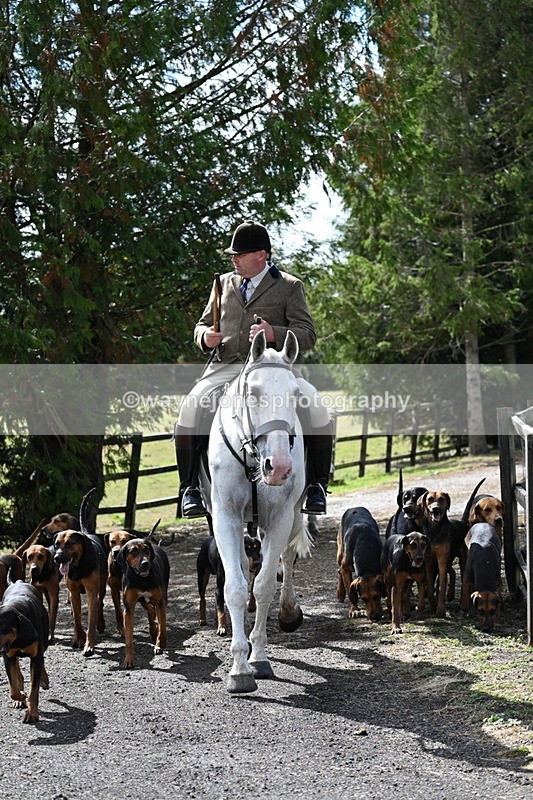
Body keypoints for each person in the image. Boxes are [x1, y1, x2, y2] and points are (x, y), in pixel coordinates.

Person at [174, 220, 333, 518]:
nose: (233, 259)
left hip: (273, 369)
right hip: (226, 366)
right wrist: (205, 337)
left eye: (240, 254)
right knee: (189, 408)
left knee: (317, 407)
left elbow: (308, 334)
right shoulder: (222, 283)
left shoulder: (290, 286)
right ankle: (189, 488)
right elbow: (202, 324)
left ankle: (316, 485)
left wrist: (274, 333)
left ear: (261, 255)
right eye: (233, 254)